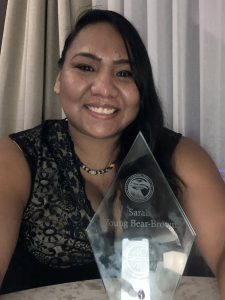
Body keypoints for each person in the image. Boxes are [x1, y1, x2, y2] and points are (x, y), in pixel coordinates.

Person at [0, 8, 225, 297]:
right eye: (85, 67)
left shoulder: (179, 155)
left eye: (124, 73)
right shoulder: (17, 158)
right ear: (59, 79)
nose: (104, 87)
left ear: (141, 90)